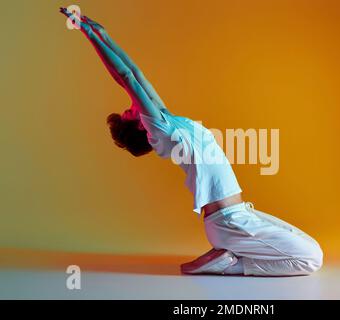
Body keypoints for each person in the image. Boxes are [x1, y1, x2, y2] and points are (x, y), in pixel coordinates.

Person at [59, 8, 323, 276]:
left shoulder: (169, 121)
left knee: (310, 245)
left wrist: (104, 34)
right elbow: (125, 77)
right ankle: (228, 265)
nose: (131, 106)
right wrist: (88, 34)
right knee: (312, 259)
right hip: (229, 222)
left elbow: (136, 73)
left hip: (240, 215)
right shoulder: (159, 130)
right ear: (140, 125)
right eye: (129, 112)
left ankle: (228, 256)